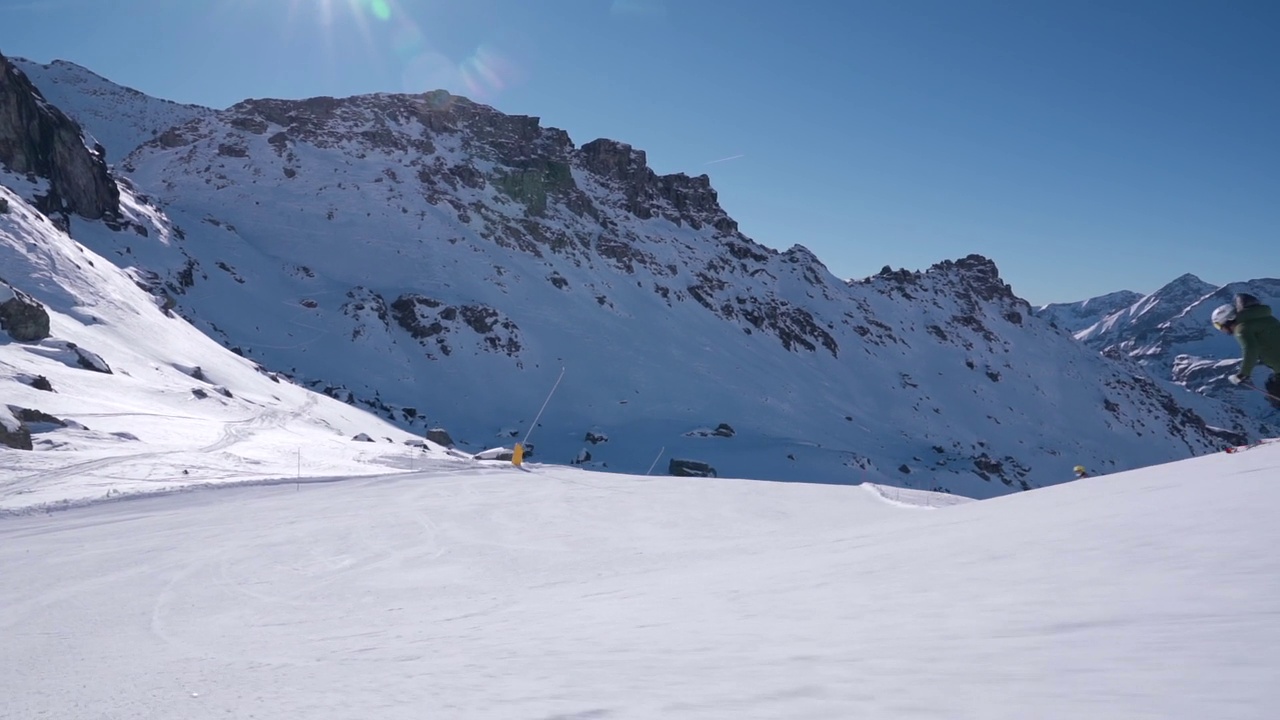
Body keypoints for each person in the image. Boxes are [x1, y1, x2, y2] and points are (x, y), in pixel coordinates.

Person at [1211, 293, 1280, 408]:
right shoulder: (1269, 319)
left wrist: (1243, 375)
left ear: (1227, 320)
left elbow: (1251, 349)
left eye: (1219, 326)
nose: (1221, 330)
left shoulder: (1242, 328)